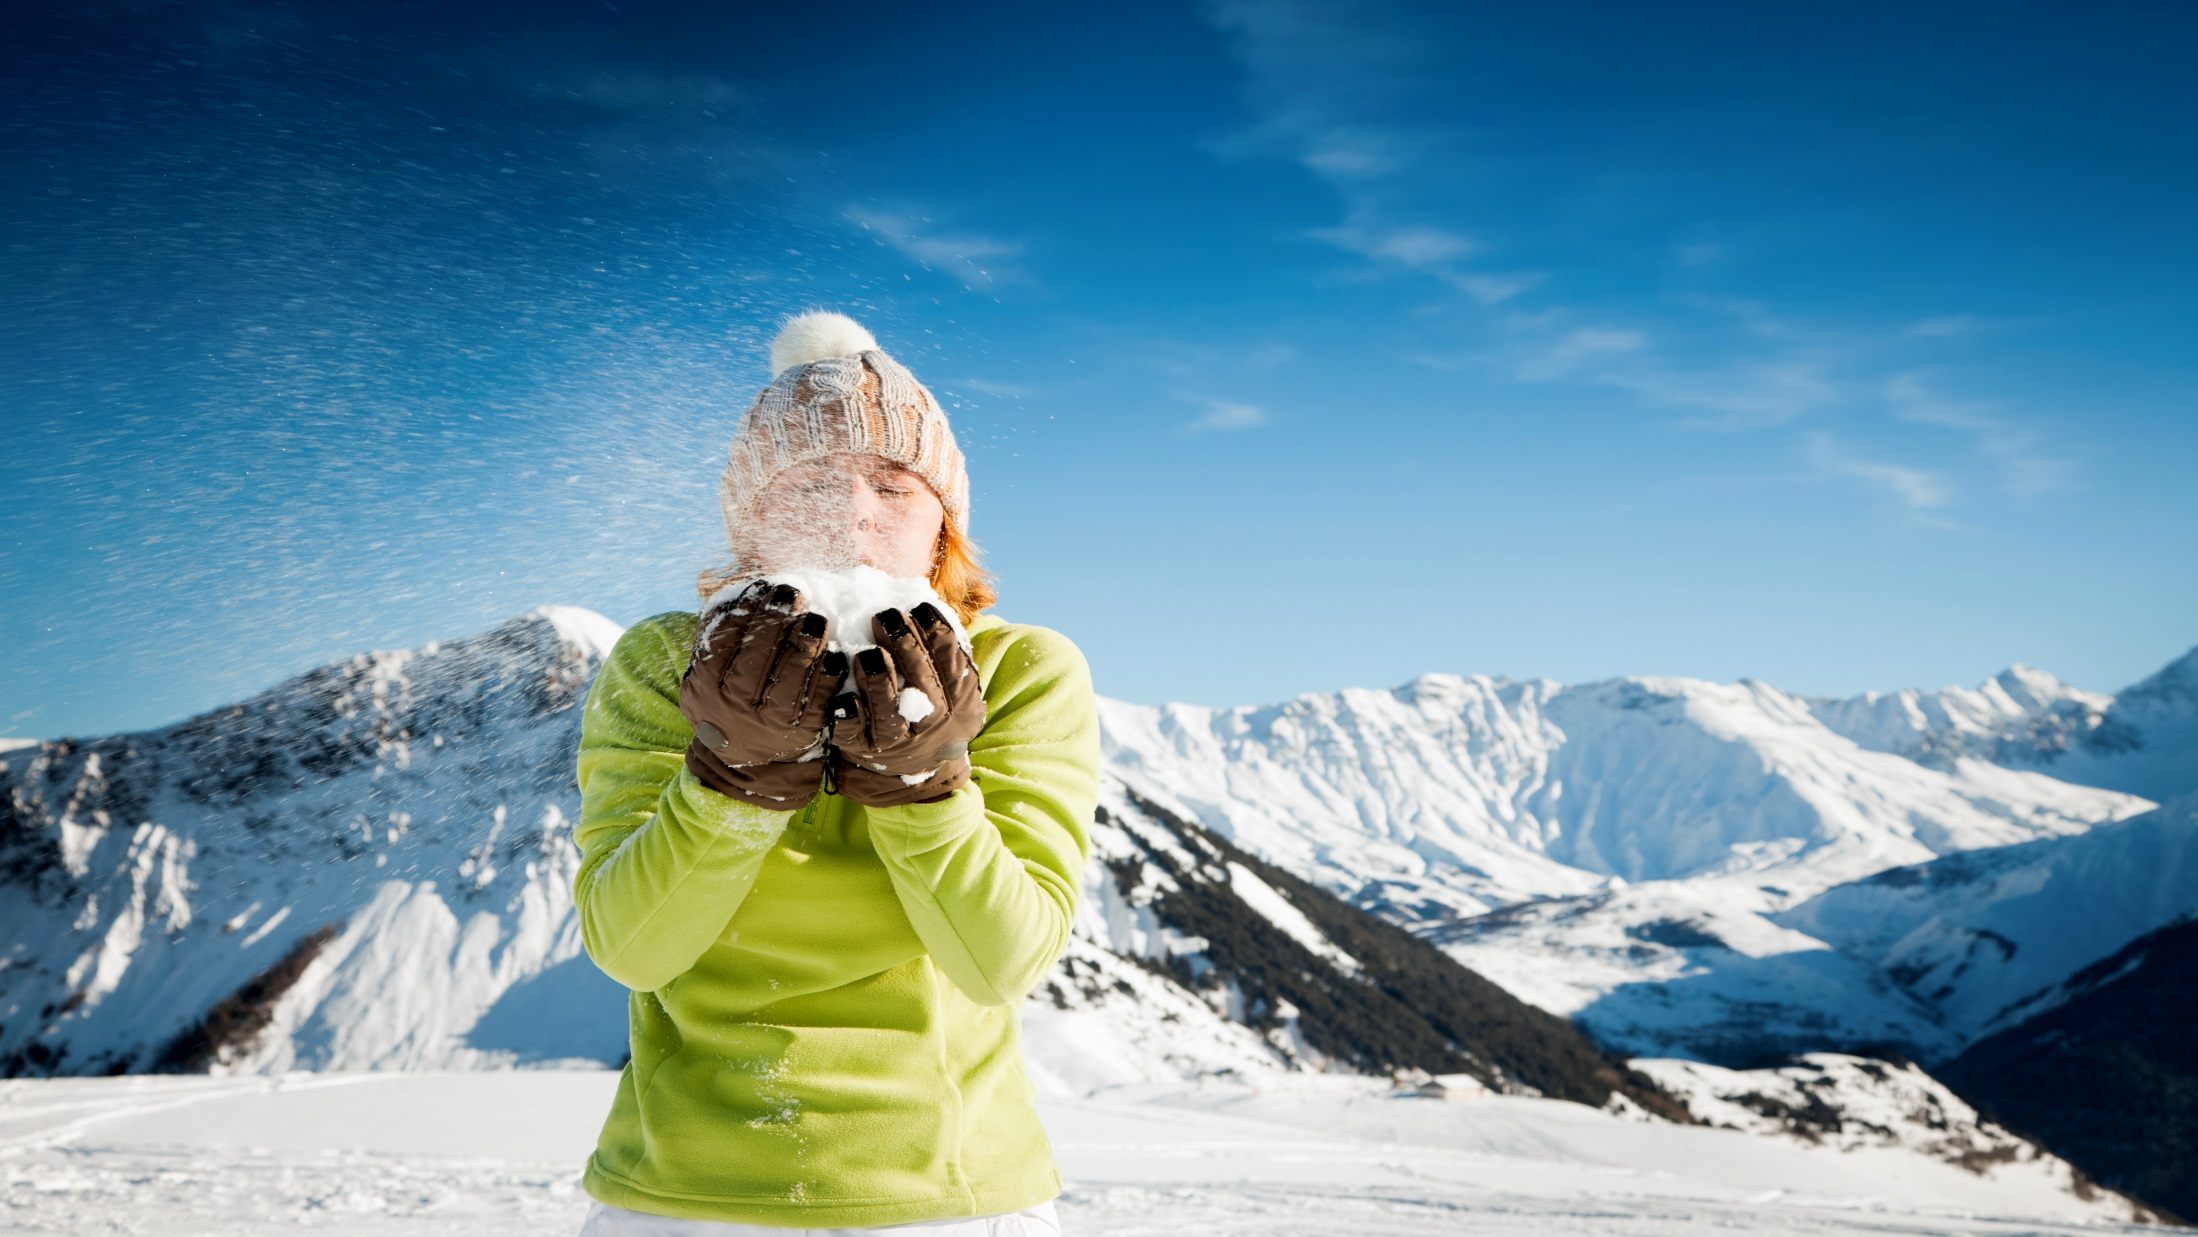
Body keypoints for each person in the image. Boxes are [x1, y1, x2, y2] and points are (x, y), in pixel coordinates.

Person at [570, 312, 1098, 1235]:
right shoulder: (664, 665)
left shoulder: (1020, 671)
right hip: (687, 1194)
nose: (853, 512)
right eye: (811, 479)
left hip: (947, 1196)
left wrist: (922, 789)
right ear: (752, 523)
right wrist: (731, 782)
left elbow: (1003, 961)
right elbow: (633, 947)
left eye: (895, 486)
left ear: (945, 525)